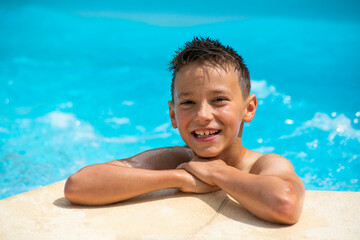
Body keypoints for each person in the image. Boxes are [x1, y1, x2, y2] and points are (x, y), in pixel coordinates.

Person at [64, 37, 305, 225]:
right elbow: (78, 185)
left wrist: (218, 174)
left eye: (219, 100)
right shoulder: (177, 160)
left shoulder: (263, 165)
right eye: (188, 102)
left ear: (249, 108)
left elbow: (284, 204)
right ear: (173, 115)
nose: (202, 115)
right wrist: (178, 177)